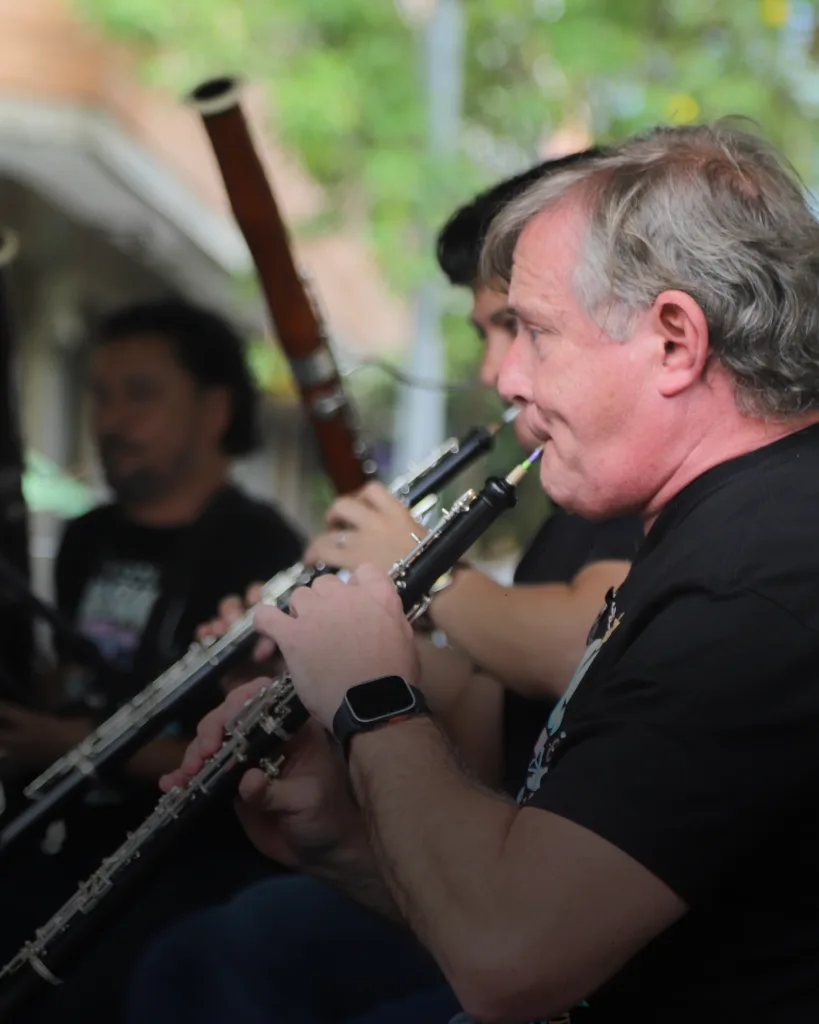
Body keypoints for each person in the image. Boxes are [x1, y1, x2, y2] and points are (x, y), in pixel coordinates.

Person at [137, 121, 819, 1023]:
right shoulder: (721, 530)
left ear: (672, 341)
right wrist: (342, 839)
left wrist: (372, 697)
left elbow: (510, 961)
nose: (505, 379)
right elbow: (531, 920)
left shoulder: (759, 579)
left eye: (534, 333)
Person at [0, 299, 304, 1015]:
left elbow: (256, 750)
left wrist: (74, 745)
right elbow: (75, 676)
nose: (110, 421)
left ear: (215, 409)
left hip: (182, 870)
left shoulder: (262, 551)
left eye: (140, 395)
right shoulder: (86, 538)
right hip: (61, 847)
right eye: (100, 395)